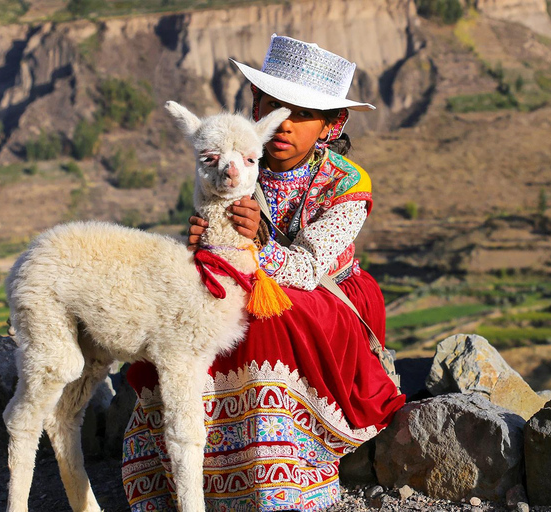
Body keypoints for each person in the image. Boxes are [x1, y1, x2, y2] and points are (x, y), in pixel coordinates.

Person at [121, 34, 406, 512]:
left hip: (324, 296)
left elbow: (310, 268)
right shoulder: (235, 166)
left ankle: (273, 481)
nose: (285, 126)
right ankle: (183, 475)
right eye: (274, 107)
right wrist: (203, 247)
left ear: (332, 124)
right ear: (256, 105)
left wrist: (257, 244)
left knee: (265, 318)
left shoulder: (346, 184)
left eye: (301, 115)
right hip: (255, 277)